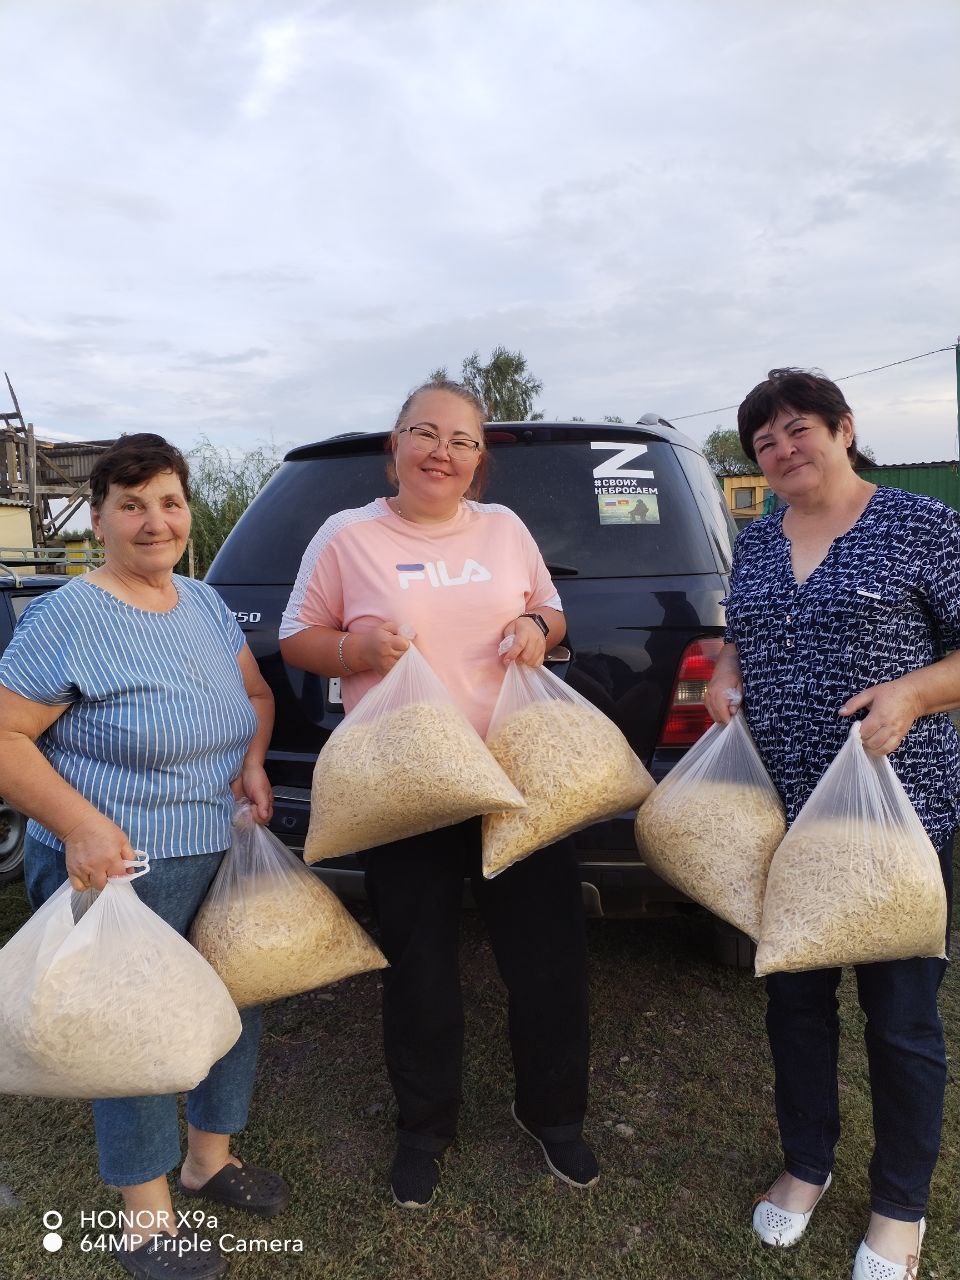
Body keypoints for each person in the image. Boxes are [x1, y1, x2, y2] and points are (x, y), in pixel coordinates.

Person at [279, 379, 596, 1208]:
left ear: (478, 458)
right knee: (419, 963)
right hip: (408, 781)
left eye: (460, 440)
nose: (441, 453)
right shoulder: (347, 535)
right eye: (425, 433)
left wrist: (537, 629)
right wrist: (356, 648)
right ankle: (425, 1126)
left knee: (549, 956)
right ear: (396, 444)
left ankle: (555, 1116)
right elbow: (297, 639)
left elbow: (552, 610)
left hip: (518, 778)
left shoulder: (505, 529)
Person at [0, 434, 289, 1280]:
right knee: (127, 1029)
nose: (153, 521)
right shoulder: (70, 617)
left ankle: (208, 1158)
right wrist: (80, 822)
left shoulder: (202, 603)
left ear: (186, 513)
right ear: (97, 520)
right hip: (115, 866)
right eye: (131, 505)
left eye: (167, 502)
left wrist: (252, 761)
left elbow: (257, 694)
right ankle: (146, 1219)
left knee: (236, 1002)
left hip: (213, 846)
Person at [705, 369, 960, 1280]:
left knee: (898, 1016)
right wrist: (725, 672)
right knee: (797, 1004)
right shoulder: (759, 540)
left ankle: (899, 1204)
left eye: (798, 428)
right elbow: (745, 631)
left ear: (845, 429)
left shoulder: (917, 524)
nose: (781, 450)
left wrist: (916, 690)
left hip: (895, 815)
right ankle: (807, 1162)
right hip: (785, 817)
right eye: (764, 442)